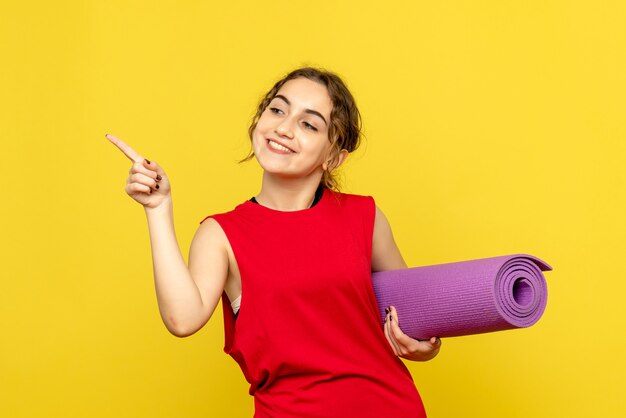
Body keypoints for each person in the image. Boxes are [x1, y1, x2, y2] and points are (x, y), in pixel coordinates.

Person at [107, 67, 441, 417]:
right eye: (278, 110)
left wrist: (424, 347)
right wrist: (159, 209)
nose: (283, 127)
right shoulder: (221, 234)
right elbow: (182, 320)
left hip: (391, 407)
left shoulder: (366, 217)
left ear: (334, 157)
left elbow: (415, 321)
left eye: (309, 124)